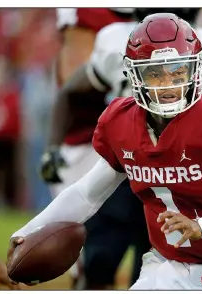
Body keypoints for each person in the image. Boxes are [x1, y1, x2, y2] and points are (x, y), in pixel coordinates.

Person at [8, 13, 202, 290]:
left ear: (195, 70)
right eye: (155, 73)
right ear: (134, 74)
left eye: (178, 71)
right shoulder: (122, 123)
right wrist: (26, 234)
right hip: (170, 268)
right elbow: (85, 194)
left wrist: (201, 226)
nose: (168, 83)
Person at [39, 8, 147, 290]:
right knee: (94, 262)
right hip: (98, 150)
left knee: (152, 266)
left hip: (150, 161)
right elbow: (71, 80)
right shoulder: (102, 24)